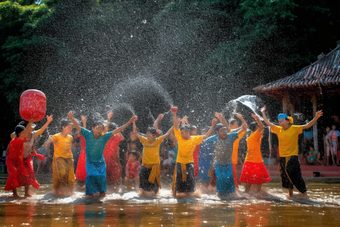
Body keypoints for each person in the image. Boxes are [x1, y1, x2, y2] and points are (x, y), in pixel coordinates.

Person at [68, 111, 137, 197]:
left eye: (101, 129)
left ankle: (102, 194)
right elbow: (78, 127)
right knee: (91, 176)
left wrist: (129, 122)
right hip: (90, 162)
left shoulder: (104, 137)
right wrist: (71, 118)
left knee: (102, 178)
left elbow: (118, 130)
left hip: (100, 162)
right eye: (98, 128)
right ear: (93, 128)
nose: (99, 130)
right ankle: (90, 195)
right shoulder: (87, 134)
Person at [261, 106, 323, 200]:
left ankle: (304, 193)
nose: (280, 123)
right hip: (282, 156)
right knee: (285, 175)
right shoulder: (278, 129)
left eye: (282, 121)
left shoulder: (294, 128)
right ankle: (290, 193)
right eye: (279, 121)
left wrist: (316, 117)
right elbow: (268, 123)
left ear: (287, 120)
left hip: (292, 156)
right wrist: (263, 113)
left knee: (294, 173)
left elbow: (307, 126)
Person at [171, 107, 217, 198]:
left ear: (189, 132)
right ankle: (175, 194)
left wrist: (212, 126)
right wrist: (174, 114)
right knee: (178, 178)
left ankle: (190, 194)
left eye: (186, 132)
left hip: (189, 162)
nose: (185, 134)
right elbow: (176, 126)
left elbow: (206, 136)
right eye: (183, 132)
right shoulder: (179, 137)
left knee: (190, 178)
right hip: (180, 162)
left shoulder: (194, 139)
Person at [204, 114, 247, 197]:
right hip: (218, 163)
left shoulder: (231, 136)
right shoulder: (215, 138)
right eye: (222, 131)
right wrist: (212, 126)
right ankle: (220, 194)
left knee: (229, 177)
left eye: (225, 130)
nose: (224, 133)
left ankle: (231, 193)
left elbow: (243, 129)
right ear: (217, 132)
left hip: (228, 163)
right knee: (220, 178)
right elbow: (205, 139)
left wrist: (242, 120)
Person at [133, 121, 173, 196]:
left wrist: (174, 124)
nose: (147, 135)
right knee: (143, 181)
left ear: (154, 136)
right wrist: (134, 122)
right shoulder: (144, 140)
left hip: (154, 166)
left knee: (154, 182)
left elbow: (167, 133)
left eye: (149, 134)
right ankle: (143, 193)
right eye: (146, 134)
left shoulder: (157, 141)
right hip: (145, 165)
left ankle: (155, 193)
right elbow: (136, 133)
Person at [239, 114, 271, 193]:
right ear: (256, 128)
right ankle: (258, 193)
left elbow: (261, 130)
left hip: (248, 159)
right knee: (259, 178)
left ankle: (247, 192)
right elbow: (262, 127)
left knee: (248, 179)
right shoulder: (256, 134)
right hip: (257, 160)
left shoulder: (250, 136)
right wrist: (257, 119)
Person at [4, 120, 34, 198]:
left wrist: (30, 123)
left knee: (26, 174)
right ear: (20, 133)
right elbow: (8, 152)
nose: (25, 134)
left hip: (18, 161)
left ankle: (26, 193)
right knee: (13, 173)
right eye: (23, 133)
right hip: (11, 161)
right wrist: (30, 123)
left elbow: (27, 132)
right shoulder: (15, 141)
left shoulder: (21, 139)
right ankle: (15, 194)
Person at [49, 119, 76, 196]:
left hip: (69, 158)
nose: (70, 129)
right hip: (59, 158)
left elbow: (70, 146)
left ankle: (70, 191)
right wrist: (45, 144)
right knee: (61, 173)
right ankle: (57, 191)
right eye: (68, 127)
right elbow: (49, 140)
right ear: (63, 127)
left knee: (71, 175)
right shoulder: (56, 136)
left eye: (71, 127)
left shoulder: (70, 137)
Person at [103, 122, 124, 189]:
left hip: (113, 157)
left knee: (115, 173)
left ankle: (114, 187)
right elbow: (103, 132)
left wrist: (118, 130)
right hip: (105, 157)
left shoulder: (116, 137)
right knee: (106, 172)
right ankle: (107, 187)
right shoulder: (105, 136)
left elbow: (122, 138)